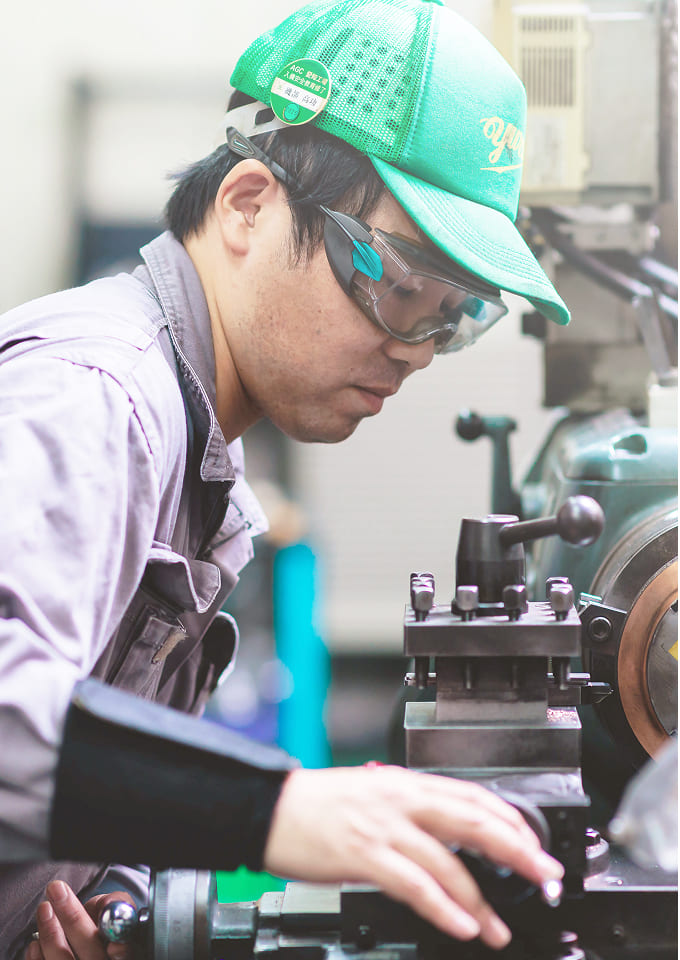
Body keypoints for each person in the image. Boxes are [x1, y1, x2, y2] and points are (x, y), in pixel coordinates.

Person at [0, 0, 571, 956]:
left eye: (451, 316)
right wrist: (278, 809)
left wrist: (112, 898)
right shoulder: (96, 397)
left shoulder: (199, 460)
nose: (415, 349)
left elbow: (89, 761)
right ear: (248, 206)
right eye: (397, 287)